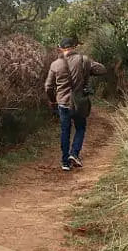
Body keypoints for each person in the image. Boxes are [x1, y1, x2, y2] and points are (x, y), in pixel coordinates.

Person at [44, 37, 107, 171]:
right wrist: (87, 71)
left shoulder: (55, 64)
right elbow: (102, 70)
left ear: (60, 48)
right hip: (79, 102)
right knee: (80, 128)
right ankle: (74, 154)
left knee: (65, 131)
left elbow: (48, 86)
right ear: (74, 47)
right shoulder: (83, 60)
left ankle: (65, 162)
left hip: (63, 103)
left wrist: (52, 100)